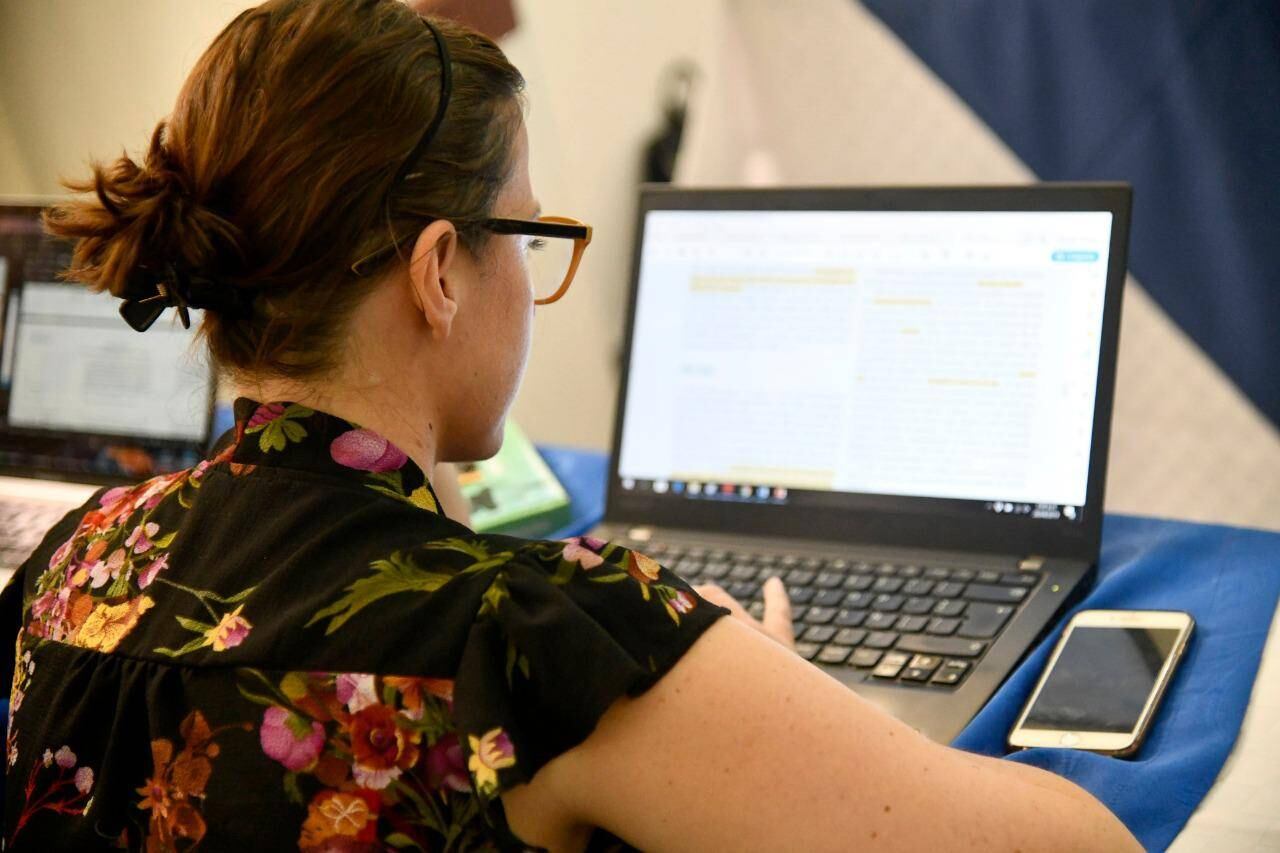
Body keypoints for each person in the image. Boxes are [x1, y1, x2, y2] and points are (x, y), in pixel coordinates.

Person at [0, 1, 1140, 850]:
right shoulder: (541, 639)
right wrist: (761, 696)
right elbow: (1078, 845)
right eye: (529, 234)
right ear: (438, 273)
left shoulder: (76, 562)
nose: (532, 279)